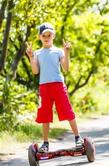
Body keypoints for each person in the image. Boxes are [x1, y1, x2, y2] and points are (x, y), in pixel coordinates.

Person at [26, 22, 83, 152]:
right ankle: (45, 143)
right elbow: (35, 71)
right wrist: (30, 57)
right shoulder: (37, 53)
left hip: (58, 85)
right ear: (40, 37)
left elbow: (66, 68)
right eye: (44, 35)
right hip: (44, 87)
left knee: (67, 111)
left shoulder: (58, 51)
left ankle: (77, 137)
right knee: (45, 114)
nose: (46, 37)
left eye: (49, 35)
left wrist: (66, 52)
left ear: (53, 36)